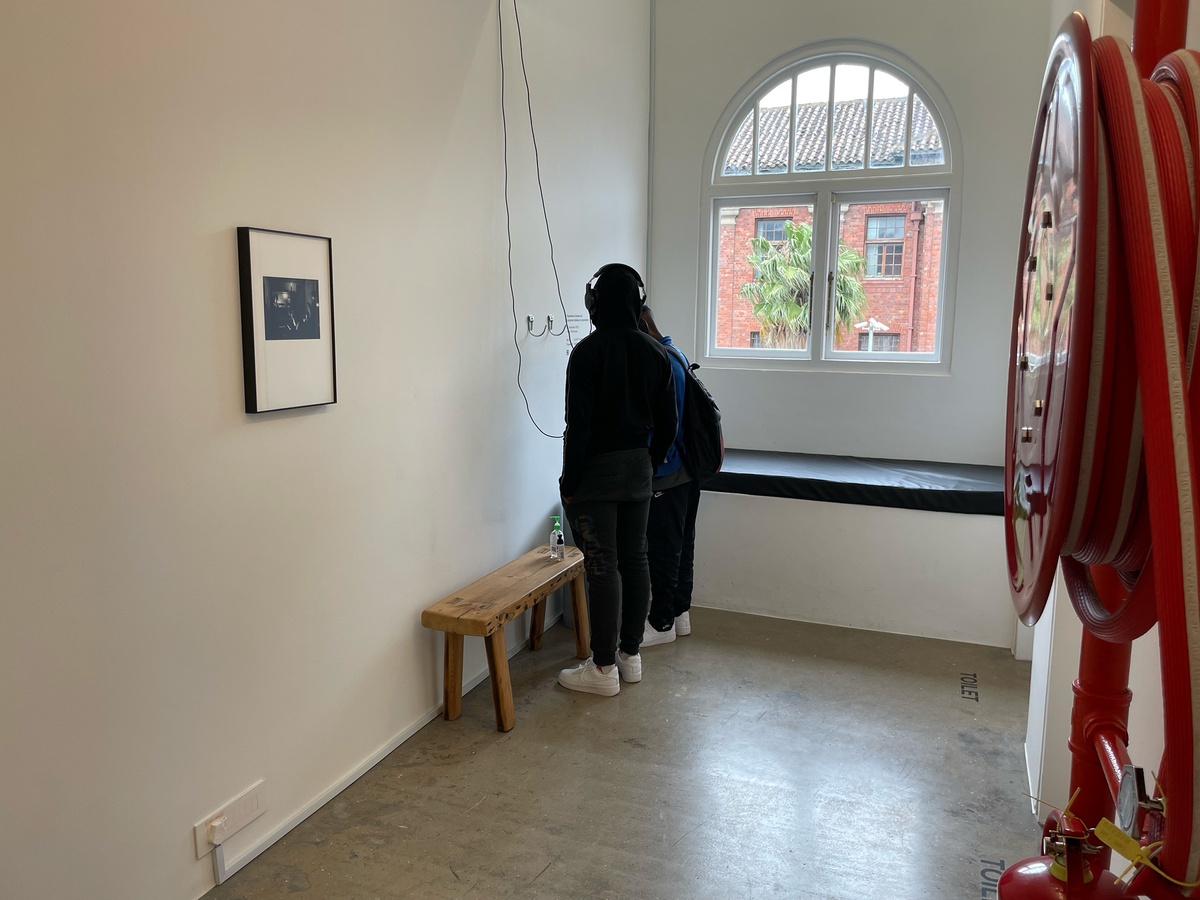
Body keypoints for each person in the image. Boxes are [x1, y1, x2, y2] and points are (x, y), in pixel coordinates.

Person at [558, 263, 678, 696]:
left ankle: (603, 668)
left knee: (602, 567)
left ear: (594, 304)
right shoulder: (655, 352)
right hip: (638, 470)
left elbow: (579, 428)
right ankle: (630, 657)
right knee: (636, 558)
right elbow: (670, 423)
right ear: (637, 304)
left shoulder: (586, 354)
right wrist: (651, 458)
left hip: (596, 473)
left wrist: (569, 482)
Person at [638, 306, 703, 647]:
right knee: (682, 544)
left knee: (663, 549)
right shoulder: (674, 352)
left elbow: (661, 426)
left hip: (668, 473)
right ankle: (679, 614)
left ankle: (661, 623)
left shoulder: (658, 363)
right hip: (688, 471)